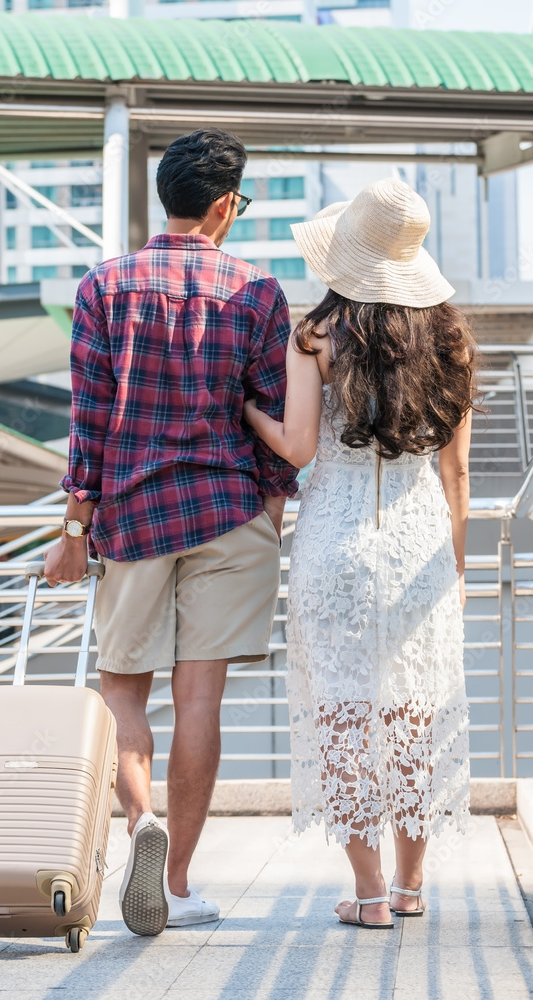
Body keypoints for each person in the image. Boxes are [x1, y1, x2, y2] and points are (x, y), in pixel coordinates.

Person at [44, 127, 299, 936]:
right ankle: (179, 883)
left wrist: (74, 525)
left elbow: (87, 423)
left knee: (123, 689)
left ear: (170, 198)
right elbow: (275, 418)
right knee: (201, 699)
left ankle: (140, 825)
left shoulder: (103, 287)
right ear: (225, 205)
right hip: (227, 513)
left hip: (133, 514)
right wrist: (272, 506)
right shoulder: (257, 294)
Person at [244, 177, 476, 929]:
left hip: (335, 544)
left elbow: (299, 445)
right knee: (415, 713)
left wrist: (249, 408)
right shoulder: (452, 341)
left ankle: (369, 895)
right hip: (421, 546)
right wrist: (458, 568)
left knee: (343, 716)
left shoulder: (315, 336)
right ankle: (411, 889)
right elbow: (457, 474)